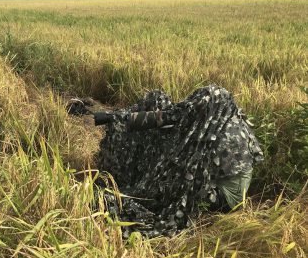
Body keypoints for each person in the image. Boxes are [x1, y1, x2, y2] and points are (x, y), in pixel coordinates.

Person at [93, 85, 264, 237]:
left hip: (226, 199)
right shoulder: (233, 123)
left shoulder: (220, 135)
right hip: (233, 192)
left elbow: (194, 164)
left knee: (176, 181)